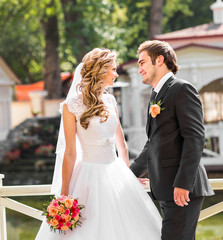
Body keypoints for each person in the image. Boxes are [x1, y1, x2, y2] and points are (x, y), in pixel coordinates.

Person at [35, 48, 162, 240]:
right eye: (113, 69)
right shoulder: (71, 106)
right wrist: (63, 194)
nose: (116, 73)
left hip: (115, 172)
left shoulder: (110, 100)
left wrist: (127, 178)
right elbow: (70, 153)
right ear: (100, 71)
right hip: (86, 177)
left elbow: (122, 146)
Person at [130, 40, 214, 240]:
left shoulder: (182, 89)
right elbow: (153, 144)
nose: (139, 68)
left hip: (182, 190)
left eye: (142, 63)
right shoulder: (155, 94)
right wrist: (128, 175)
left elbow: (194, 138)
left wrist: (183, 184)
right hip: (166, 188)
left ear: (159, 60)